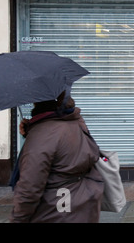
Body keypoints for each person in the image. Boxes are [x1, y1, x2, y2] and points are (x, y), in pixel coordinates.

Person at [10, 91, 104, 222]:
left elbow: (29, 187)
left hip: (57, 210)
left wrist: (17, 218)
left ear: (37, 102)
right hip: (83, 204)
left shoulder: (42, 134)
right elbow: (66, 150)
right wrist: (32, 129)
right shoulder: (74, 120)